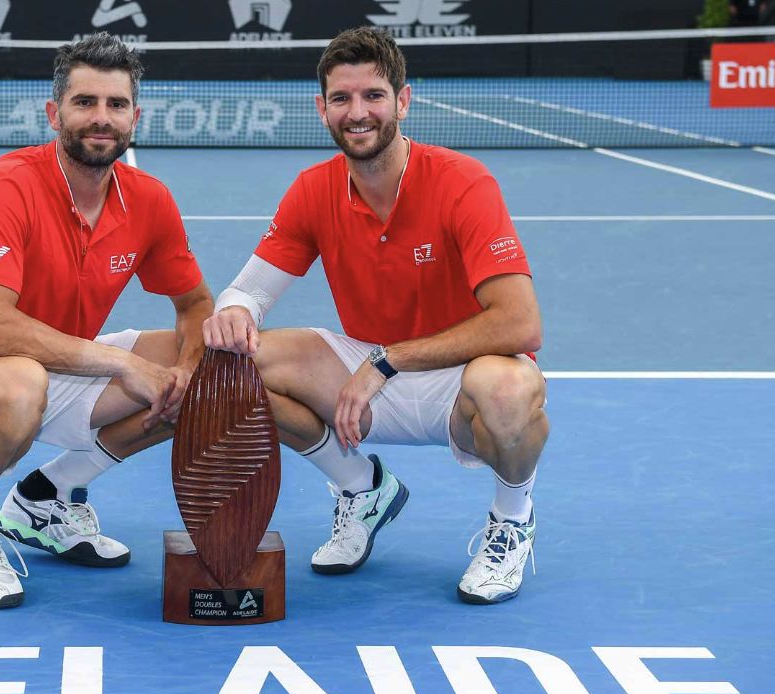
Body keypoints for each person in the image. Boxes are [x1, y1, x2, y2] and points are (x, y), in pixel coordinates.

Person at [202, 26, 548, 604]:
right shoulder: (314, 190)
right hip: (362, 375)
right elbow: (249, 291)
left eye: (373, 96)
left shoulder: (463, 183)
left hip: (456, 381)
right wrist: (233, 312)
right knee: (236, 364)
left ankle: (512, 518)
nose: (357, 112)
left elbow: (521, 324)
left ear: (403, 101)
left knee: (510, 386)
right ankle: (361, 489)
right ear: (322, 109)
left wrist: (387, 362)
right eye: (342, 99)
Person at [0, 33, 212, 609]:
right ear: (54, 113)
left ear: (134, 117)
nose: (102, 118)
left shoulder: (149, 201)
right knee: (22, 381)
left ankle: (47, 497)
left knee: (214, 369)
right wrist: (124, 365)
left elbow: (195, 305)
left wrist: (187, 373)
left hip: (63, 368)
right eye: (85, 102)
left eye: (116, 105)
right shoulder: (8, 185)